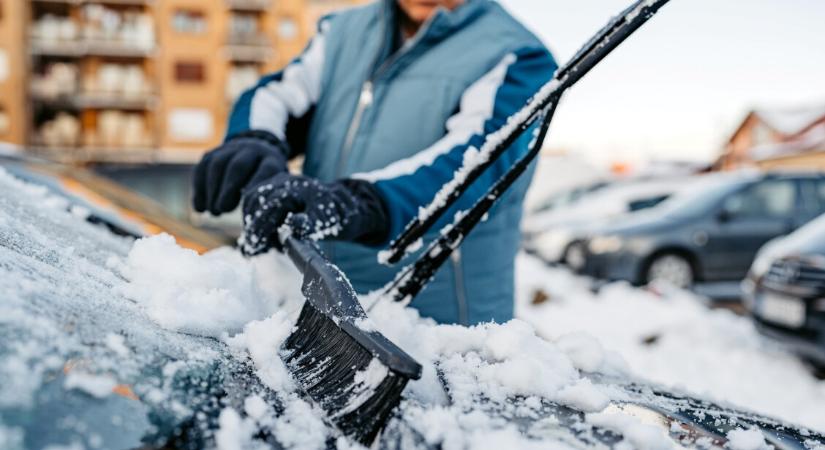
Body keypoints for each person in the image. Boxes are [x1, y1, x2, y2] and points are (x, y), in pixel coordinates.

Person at [192, 0, 557, 325]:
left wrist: (358, 201)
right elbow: (281, 94)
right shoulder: (341, 32)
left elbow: (475, 163)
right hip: (328, 315)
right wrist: (255, 139)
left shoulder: (516, 55)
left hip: (444, 330)